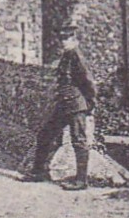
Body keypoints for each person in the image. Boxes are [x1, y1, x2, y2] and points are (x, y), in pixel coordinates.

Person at [29, 34, 96, 188]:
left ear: (76, 41)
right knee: (45, 134)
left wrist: (90, 103)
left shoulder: (76, 56)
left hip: (75, 105)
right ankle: (39, 172)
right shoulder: (67, 55)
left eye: (69, 39)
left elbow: (88, 81)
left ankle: (81, 181)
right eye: (63, 39)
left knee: (78, 140)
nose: (64, 42)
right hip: (64, 105)